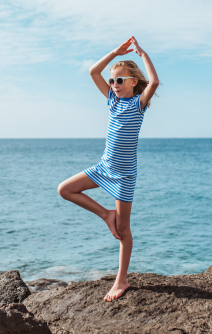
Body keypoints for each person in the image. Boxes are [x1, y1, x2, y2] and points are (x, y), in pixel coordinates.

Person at [57, 36, 159, 302]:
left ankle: (121, 279)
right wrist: (115, 52)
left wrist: (142, 53)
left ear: (133, 82)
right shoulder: (112, 101)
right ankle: (105, 214)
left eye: (119, 80)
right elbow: (93, 71)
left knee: (124, 231)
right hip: (104, 168)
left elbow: (156, 82)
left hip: (124, 176)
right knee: (65, 189)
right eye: (112, 80)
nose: (114, 85)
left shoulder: (138, 104)